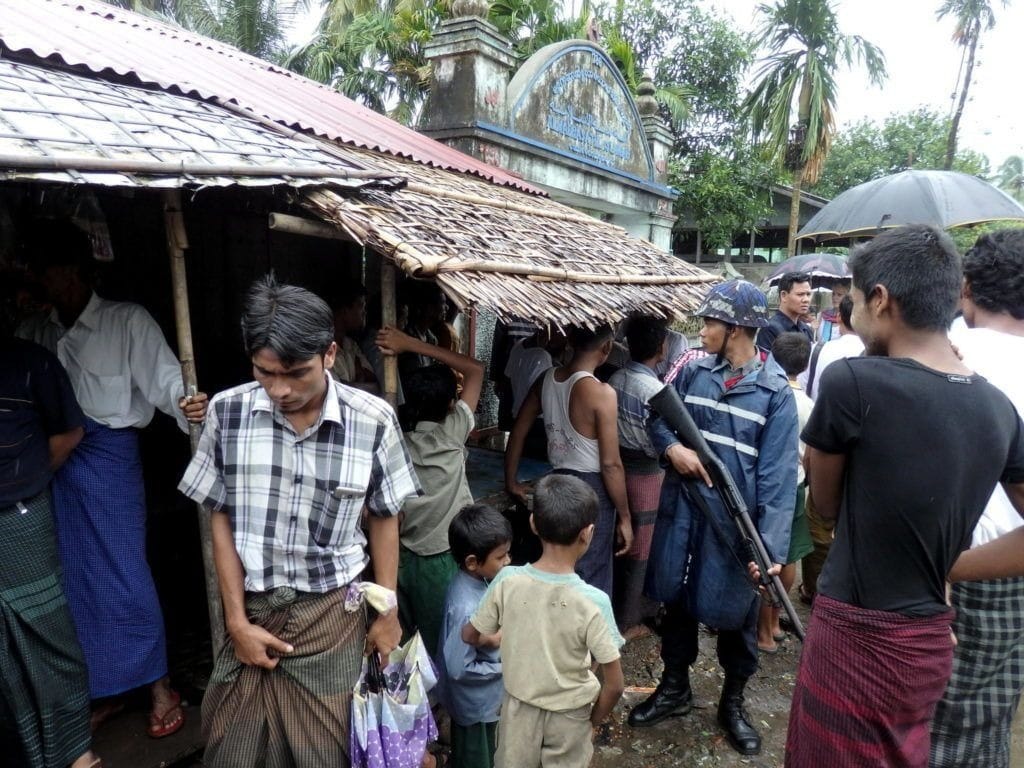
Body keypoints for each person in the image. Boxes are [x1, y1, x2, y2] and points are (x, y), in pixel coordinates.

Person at [777, 225, 1024, 768]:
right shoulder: (998, 410)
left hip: (857, 632)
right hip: (928, 638)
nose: (850, 314)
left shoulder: (852, 383)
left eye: (855, 302)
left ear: (881, 299)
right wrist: (946, 563)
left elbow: (824, 505)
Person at [178, 275, 421, 768]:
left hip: (332, 618)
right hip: (252, 609)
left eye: (295, 372)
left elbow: (383, 518)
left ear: (330, 354)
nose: (279, 389)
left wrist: (388, 610)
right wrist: (236, 622)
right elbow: (218, 517)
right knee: (232, 750)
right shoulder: (227, 413)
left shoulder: (373, 420)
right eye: (264, 372)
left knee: (325, 753)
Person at [17, 221, 207, 737]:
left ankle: (158, 685)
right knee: (73, 579)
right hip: (54, 464)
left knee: (125, 572)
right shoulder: (37, 332)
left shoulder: (127, 321)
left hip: (109, 464)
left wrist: (185, 404)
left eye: (50, 271)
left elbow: (168, 381)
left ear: (75, 271)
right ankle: (103, 690)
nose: (44, 282)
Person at [628, 279, 797, 757]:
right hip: (683, 515)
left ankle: (733, 702)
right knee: (677, 605)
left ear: (739, 328)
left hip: (734, 529)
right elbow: (659, 418)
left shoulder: (774, 393)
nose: (701, 331)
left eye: (710, 322)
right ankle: (675, 687)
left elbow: (779, 482)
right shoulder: (693, 373)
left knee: (739, 619)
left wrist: (770, 551)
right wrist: (673, 448)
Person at [930, 229, 1024, 768]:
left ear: (965, 287)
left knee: (914, 719)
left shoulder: (937, 353)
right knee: (982, 720)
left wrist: (943, 566)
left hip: (928, 563)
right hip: (1003, 577)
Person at [463, 474, 625, 768]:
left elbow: (470, 634)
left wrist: (489, 638)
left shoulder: (507, 581)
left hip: (517, 712)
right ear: (587, 533)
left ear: (533, 523)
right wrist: (593, 722)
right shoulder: (595, 601)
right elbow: (614, 686)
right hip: (570, 717)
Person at [0, 296, 99, 768]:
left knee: (49, 636)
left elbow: (68, 432)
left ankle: (76, 752)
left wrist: (29, 480)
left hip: (21, 517)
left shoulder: (28, 361)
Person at [375, 325, 485, 658]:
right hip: (439, 559)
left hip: (399, 560)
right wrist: (410, 342)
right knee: (443, 644)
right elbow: (475, 369)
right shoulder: (453, 433)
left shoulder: (394, 444)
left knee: (408, 644)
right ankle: (442, 706)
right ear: (452, 404)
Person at [505, 324, 632, 597]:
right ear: (607, 348)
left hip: (555, 482)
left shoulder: (546, 379)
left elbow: (518, 429)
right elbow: (611, 464)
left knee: (555, 564)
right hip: (591, 488)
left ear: (571, 339)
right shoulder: (602, 393)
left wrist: (511, 481)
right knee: (590, 570)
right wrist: (625, 516)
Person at [436, 505, 513, 768]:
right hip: (476, 707)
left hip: (480, 702)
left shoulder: (476, 582)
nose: (507, 562)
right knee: (477, 757)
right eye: (501, 557)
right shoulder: (466, 608)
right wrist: (502, 668)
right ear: (472, 562)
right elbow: (459, 668)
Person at [797, 293, 862, 604]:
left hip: (822, 442)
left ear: (841, 318)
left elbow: (811, 393)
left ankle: (813, 588)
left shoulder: (821, 350)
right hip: (863, 454)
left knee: (820, 518)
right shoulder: (878, 352)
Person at [607, 314, 668, 641]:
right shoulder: (655, 390)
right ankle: (629, 620)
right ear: (662, 347)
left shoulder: (615, 379)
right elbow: (659, 441)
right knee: (642, 549)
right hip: (646, 473)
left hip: (618, 468)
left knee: (621, 543)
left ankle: (620, 609)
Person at [756, 333, 814, 653]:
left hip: (768, 482)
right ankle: (775, 621)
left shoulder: (766, 394)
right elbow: (810, 455)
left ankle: (763, 630)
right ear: (805, 365)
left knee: (767, 555)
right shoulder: (808, 405)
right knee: (788, 555)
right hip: (795, 483)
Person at [802, 294, 864, 400]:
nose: (835, 297)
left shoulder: (816, 350)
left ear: (839, 317)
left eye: (839, 294)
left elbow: (802, 388)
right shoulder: (875, 355)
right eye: (834, 294)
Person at [330, 283, 379, 393]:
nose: (364, 312)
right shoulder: (322, 348)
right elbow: (334, 390)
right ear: (344, 311)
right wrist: (359, 380)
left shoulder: (351, 345)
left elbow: (376, 387)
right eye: (361, 306)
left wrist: (348, 386)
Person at [756, 271, 813, 353]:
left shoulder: (806, 329)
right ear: (783, 295)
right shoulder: (770, 329)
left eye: (808, 294)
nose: (806, 300)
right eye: (800, 294)